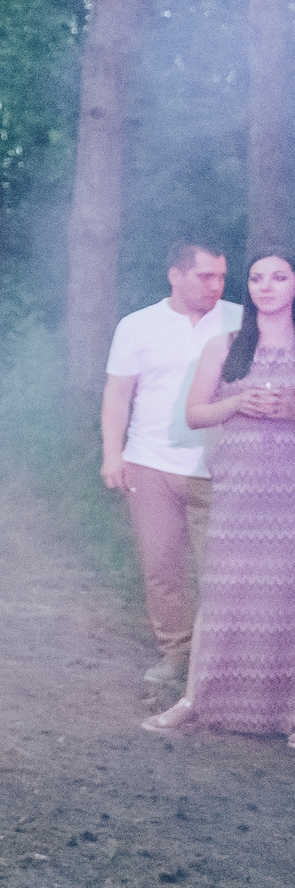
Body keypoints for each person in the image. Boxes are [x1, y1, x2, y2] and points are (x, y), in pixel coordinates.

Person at [144, 248, 295, 745]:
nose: (266, 286)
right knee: (227, 589)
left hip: (288, 488)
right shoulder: (227, 344)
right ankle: (196, 699)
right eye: (256, 278)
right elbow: (194, 414)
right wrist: (237, 401)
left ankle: (289, 713)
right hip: (239, 485)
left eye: (278, 277)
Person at [102, 241, 240, 686]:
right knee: (162, 567)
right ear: (175, 275)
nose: (215, 285)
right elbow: (118, 393)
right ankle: (175, 654)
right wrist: (112, 453)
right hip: (150, 463)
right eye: (205, 276)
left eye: (221, 276)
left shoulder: (241, 321)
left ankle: (222, 664)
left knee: (221, 573)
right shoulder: (138, 325)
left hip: (220, 467)